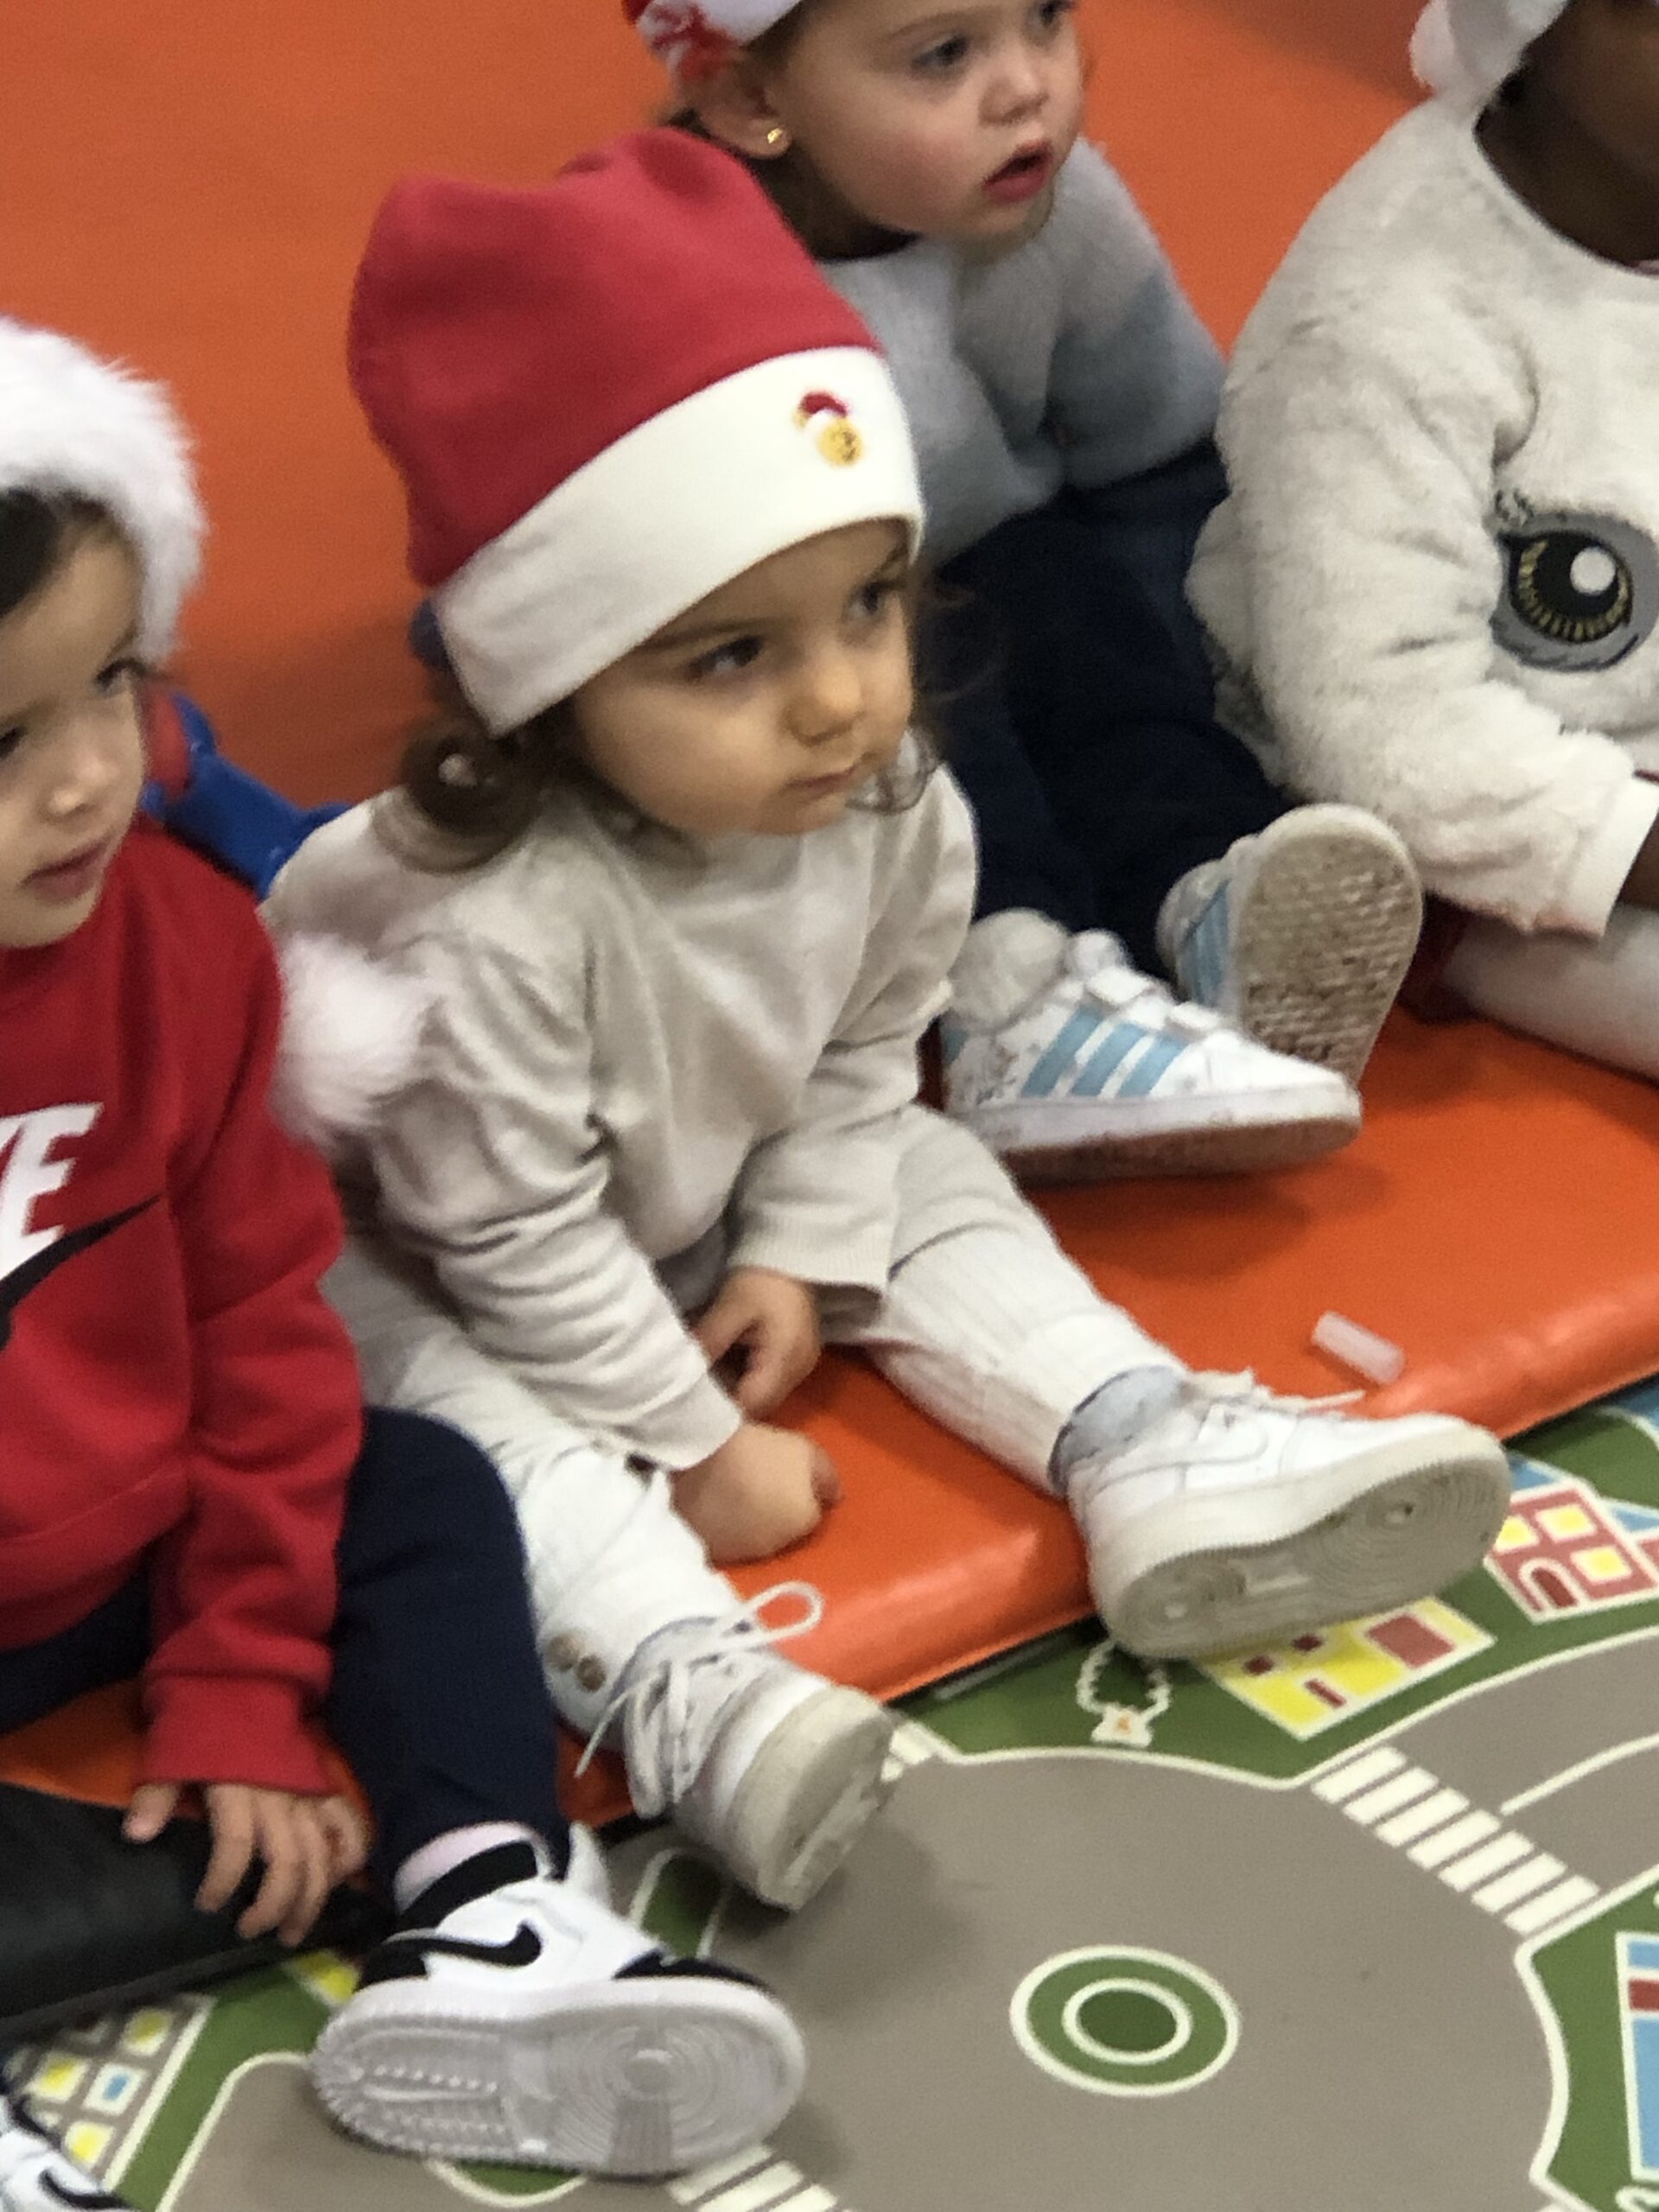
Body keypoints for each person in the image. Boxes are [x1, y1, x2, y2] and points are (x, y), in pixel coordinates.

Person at [264, 132, 1512, 1929]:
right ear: (547, 689)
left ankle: (1135, 1437)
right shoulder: (481, 920)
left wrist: (799, 1242)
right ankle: (684, 1682)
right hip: (426, 1256)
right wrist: (694, 1444)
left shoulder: (888, 799)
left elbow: (863, 1052)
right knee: (444, 1417)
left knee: (929, 1162)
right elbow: (503, 1230)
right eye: (731, 657)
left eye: (866, 604)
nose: (841, 696)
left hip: (687, 1183)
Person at [0, 317, 804, 2211]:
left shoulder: (187, 952)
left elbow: (260, 1337)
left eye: (113, 681)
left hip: (118, 1539)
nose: (89, 778)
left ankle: (493, 1913)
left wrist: (238, 1670)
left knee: (416, 1487)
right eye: (0, 738)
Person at [622, 0, 1430, 1180]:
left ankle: (1204, 888)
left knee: (1074, 603)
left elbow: (1157, 461)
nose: (1026, 86)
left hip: (987, 569)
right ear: (751, 100)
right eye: (945, 55)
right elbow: (567, 562)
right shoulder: (660, 270)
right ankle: (1015, 985)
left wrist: (1223, 680)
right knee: (916, 659)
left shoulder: (1058, 208)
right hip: (779, 656)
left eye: (1045, 17)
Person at [1186, 0, 1659, 1078]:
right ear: (1530, 33)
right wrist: (1631, 838)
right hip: (1496, 843)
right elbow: (1385, 731)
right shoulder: (1384, 317)